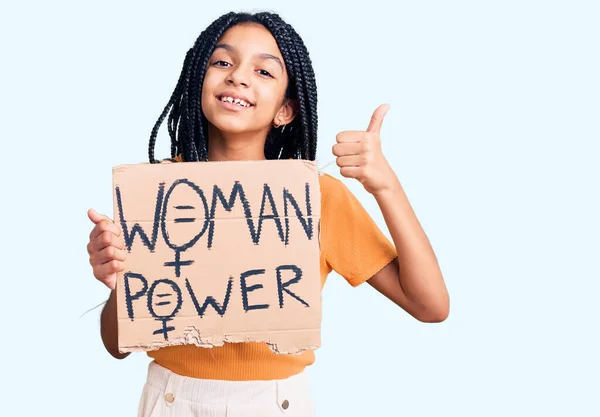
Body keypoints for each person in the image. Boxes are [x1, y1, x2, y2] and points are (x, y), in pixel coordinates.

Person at [86, 10, 449, 417]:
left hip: (275, 404)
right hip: (170, 399)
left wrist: (387, 187)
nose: (238, 76)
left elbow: (430, 306)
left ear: (286, 110)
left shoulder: (314, 198)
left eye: (263, 71)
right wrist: (120, 286)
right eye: (222, 62)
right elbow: (116, 347)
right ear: (197, 80)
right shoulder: (156, 196)